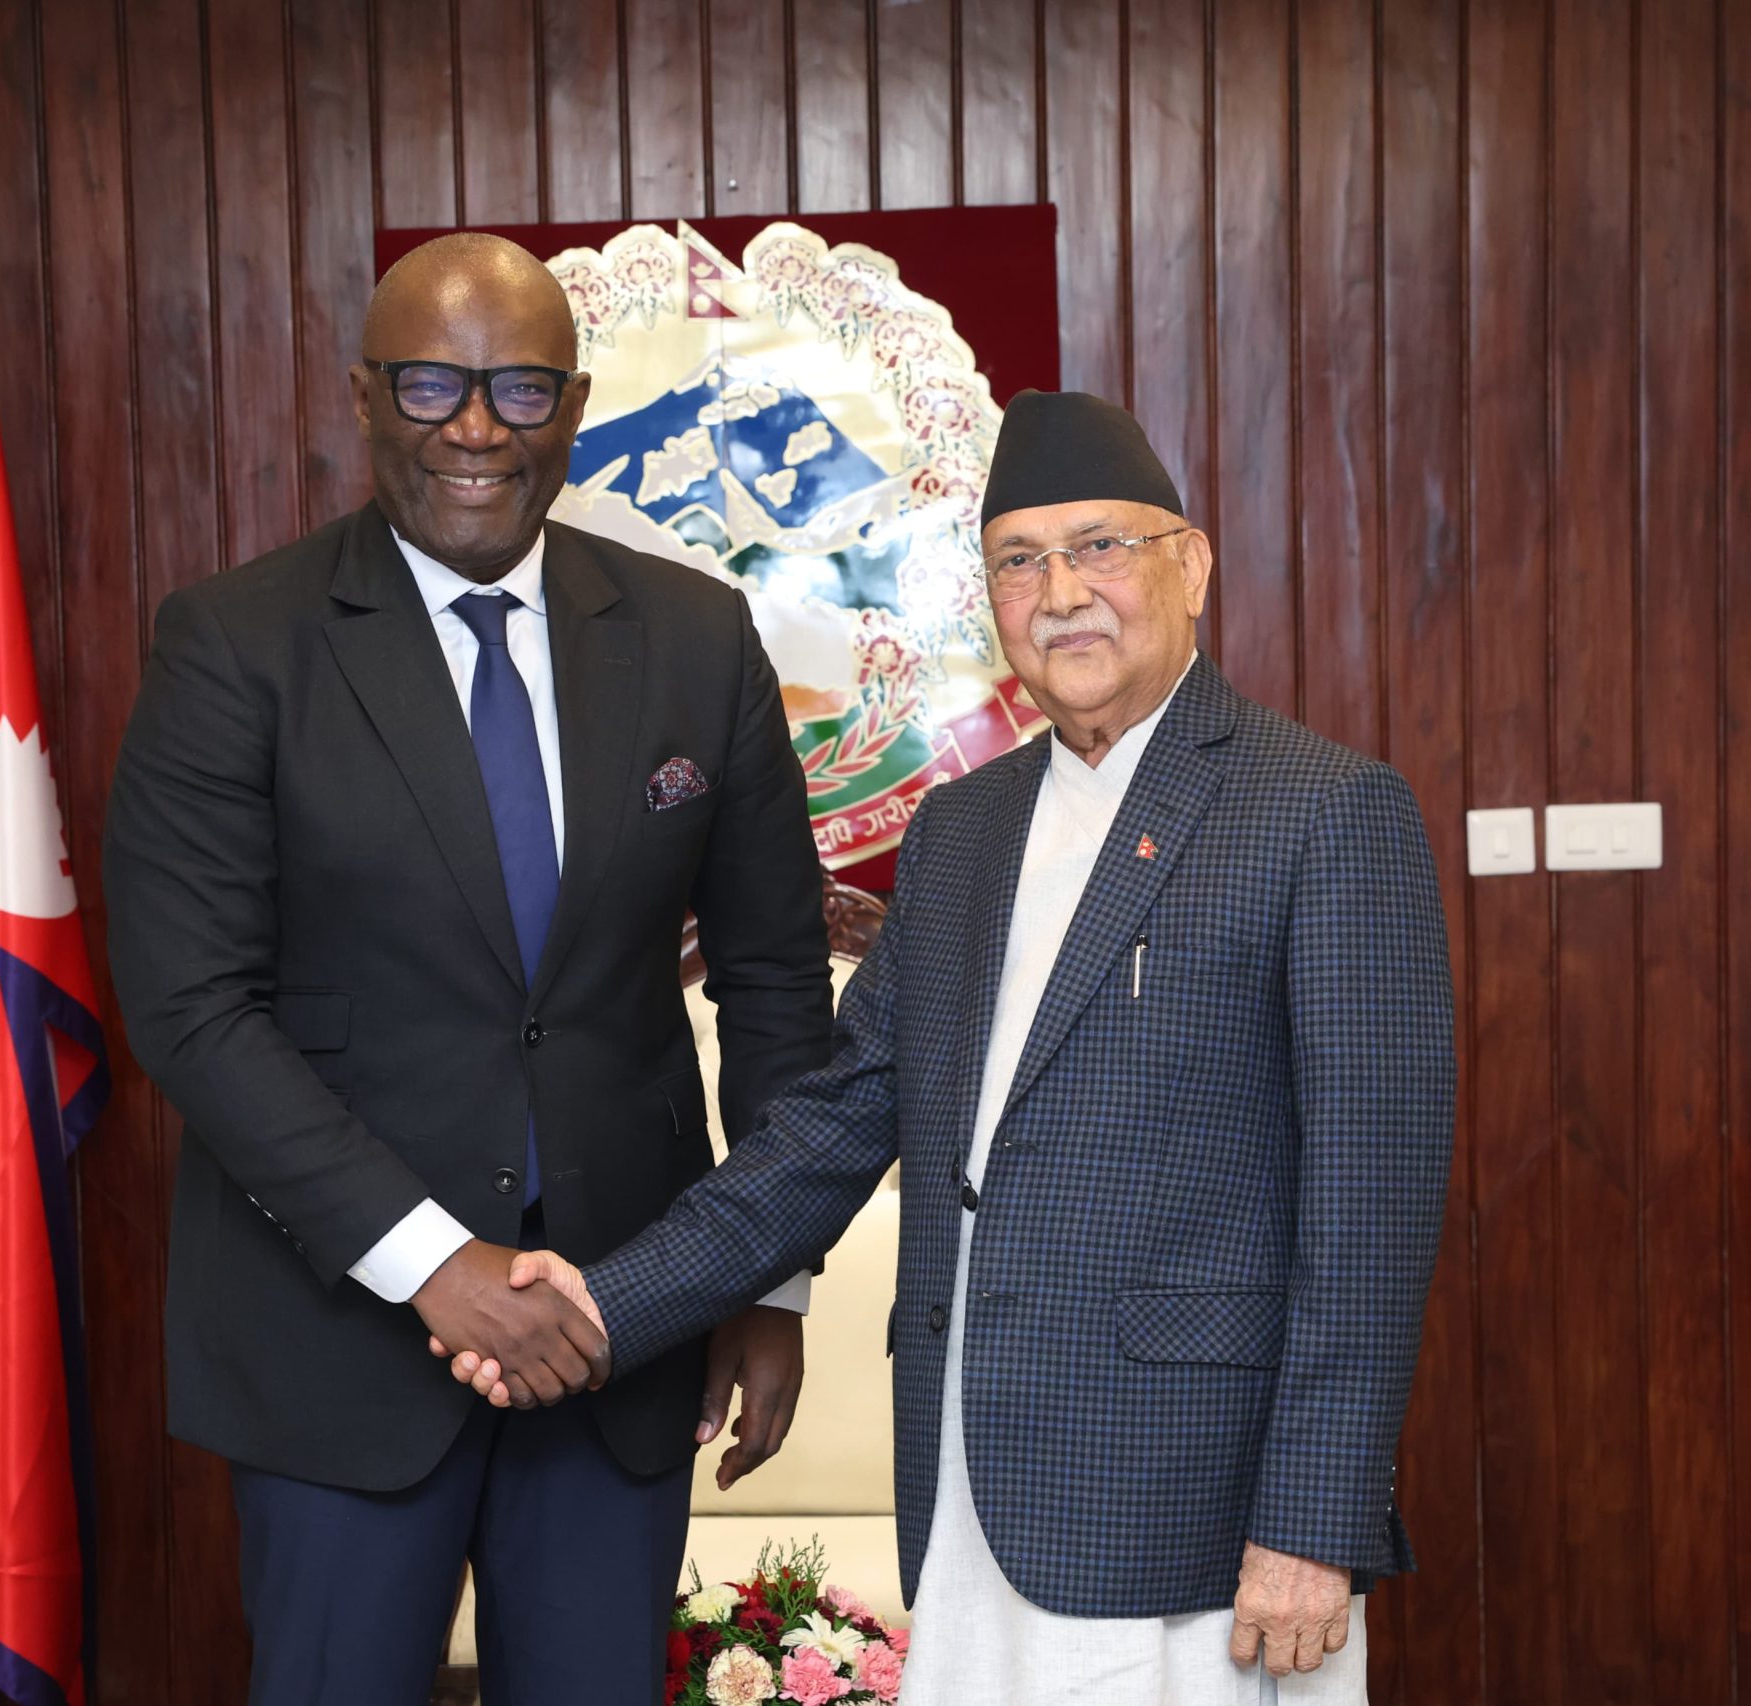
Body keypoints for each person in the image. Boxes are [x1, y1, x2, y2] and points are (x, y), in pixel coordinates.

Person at [439, 390, 1457, 1705]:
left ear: (1193, 566)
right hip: (973, 1489)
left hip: (1199, 1525)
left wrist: (1316, 1518)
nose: (1062, 594)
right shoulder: (963, 832)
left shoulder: (1324, 811)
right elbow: (829, 1126)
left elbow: (1371, 1214)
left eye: (1101, 547)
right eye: (1020, 561)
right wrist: (595, 1302)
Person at [102, 232, 835, 1706]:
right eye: (432, 385)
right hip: (338, 1343)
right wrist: (437, 1266)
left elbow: (771, 975)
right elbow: (194, 1008)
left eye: (521, 388)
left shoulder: (696, 636)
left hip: (621, 1336)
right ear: (365, 397)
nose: (478, 428)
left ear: (575, 407)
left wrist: (770, 1282)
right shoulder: (235, 644)